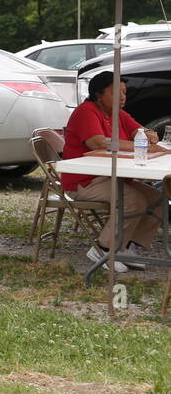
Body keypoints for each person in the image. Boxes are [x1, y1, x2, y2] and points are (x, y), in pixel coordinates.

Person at [61, 70, 166, 270]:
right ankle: (103, 249)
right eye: (116, 92)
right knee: (133, 201)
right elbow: (97, 143)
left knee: (159, 199)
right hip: (84, 180)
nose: (122, 97)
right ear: (98, 95)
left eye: (125, 92)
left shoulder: (117, 113)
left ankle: (125, 247)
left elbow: (140, 130)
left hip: (112, 176)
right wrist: (141, 145)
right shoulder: (86, 111)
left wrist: (147, 134)